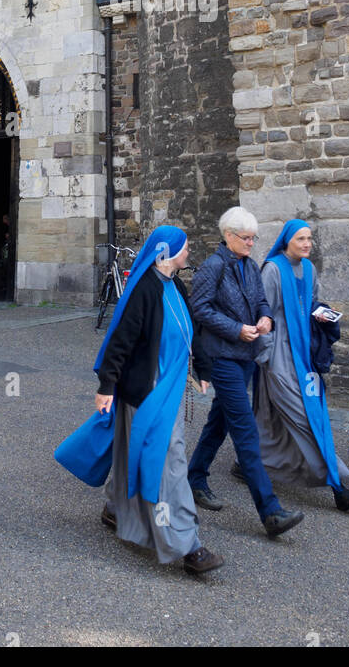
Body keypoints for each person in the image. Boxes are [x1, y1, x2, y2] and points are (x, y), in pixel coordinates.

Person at [55, 226, 224, 576]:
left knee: (133, 452)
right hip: (145, 395)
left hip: (169, 391)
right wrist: (106, 386)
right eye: (185, 249)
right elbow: (121, 342)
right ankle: (186, 544)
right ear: (166, 253)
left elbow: (192, 331)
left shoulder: (176, 285)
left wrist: (203, 369)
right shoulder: (143, 291)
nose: (189, 253)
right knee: (169, 463)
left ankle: (116, 508)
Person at [187, 206, 304, 538]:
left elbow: (261, 302)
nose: (252, 243)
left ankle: (195, 477)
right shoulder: (212, 267)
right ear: (228, 236)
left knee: (220, 421)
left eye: (254, 238)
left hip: (246, 356)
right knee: (245, 430)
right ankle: (270, 511)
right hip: (222, 356)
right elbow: (200, 308)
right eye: (246, 238)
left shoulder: (251, 266)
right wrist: (236, 328)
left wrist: (266, 318)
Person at [253, 219, 349, 512]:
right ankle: (338, 485)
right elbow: (262, 313)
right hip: (279, 354)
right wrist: (265, 359)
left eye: (309, 239)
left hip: (304, 353)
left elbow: (312, 301)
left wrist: (323, 314)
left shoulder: (309, 269)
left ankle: (250, 462)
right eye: (301, 239)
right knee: (304, 418)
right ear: (287, 241)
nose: (307, 244)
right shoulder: (273, 269)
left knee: (274, 418)